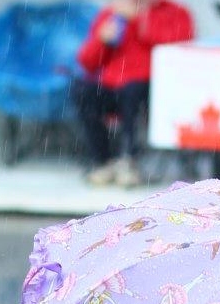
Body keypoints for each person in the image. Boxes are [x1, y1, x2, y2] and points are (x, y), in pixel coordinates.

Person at [72, 0, 194, 187]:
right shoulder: (112, 13)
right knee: (84, 93)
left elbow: (180, 46)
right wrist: (101, 39)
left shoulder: (176, 13)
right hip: (111, 86)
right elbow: (87, 62)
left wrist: (139, 20)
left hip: (152, 87)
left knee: (132, 93)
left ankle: (129, 161)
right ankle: (103, 162)